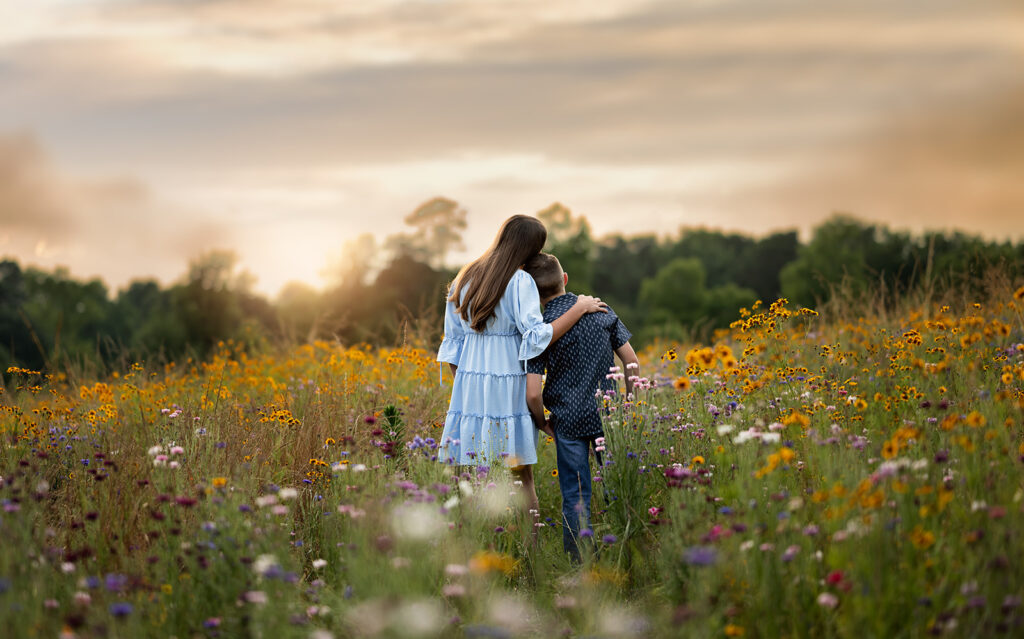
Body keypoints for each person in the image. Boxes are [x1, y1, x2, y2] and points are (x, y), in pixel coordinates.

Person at [436, 215, 607, 522]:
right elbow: (538, 336)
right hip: (510, 381)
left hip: (470, 384)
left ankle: (471, 547)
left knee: (470, 476)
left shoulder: (464, 277)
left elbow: (454, 346)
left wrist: (467, 389)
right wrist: (579, 308)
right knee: (521, 477)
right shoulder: (519, 281)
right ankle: (530, 554)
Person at [523, 252, 639, 562]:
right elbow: (631, 362)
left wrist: (541, 422)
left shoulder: (541, 329)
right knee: (616, 486)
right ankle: (623, 555)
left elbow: (532, 393)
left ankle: (580, 563)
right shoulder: (601, 310)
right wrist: (627, 405)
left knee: (576, 495)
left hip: (568, 419)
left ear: (532, 293)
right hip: (608, 415)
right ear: (565, 280)